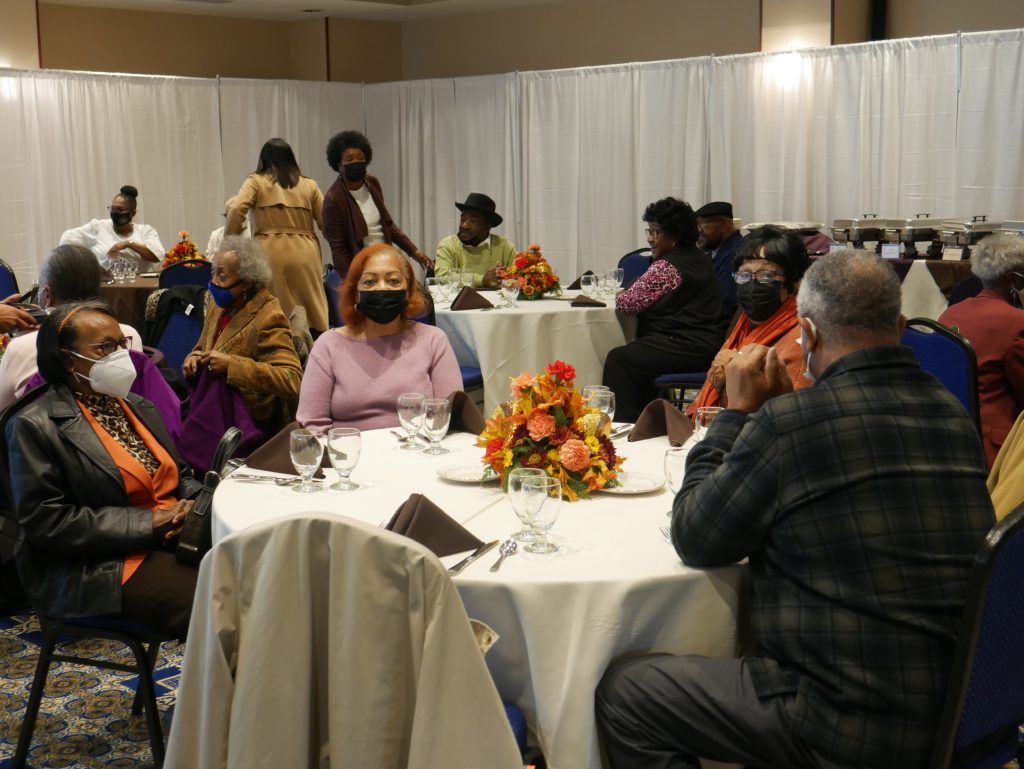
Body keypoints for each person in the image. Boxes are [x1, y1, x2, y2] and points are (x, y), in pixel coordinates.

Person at [597, 251, 995, 769]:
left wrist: (737, 416)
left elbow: (695, 535)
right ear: (900, 326)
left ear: (805, 332)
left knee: (628, 692)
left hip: (843, 724)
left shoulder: (792, 423)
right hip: (960, 710)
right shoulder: (952, 413)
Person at [5, 303, 202, 638]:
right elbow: (48, 523)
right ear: (67, 359)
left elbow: (179, 475)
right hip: (94, 565)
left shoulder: (137, 406)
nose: (121, 356)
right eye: (105, 347)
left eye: (121, 344)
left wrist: (195, 508)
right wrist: (151, 523)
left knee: (251, 575)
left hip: (168, 538)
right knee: (215, 602)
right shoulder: (34, 425)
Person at [297, 244, 461, 431]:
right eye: (369, 282)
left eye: (393, 281)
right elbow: (312, 424)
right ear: (356, 294)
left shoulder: (434, 340)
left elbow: (449, 415)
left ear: (408, 291)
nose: (382, 288)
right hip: (349, 448)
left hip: (418, 445)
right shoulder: (328, 345)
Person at [601, 198, 723, 422]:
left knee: (619, 359)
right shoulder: (698, 257)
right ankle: (648, 421)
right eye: (649, 231)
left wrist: (621, 294)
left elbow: (628, 303)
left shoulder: (667, 266)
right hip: (703, 343)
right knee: (636, 355)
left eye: (656, 232)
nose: (650, 238)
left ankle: (623, 425)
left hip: (686, 344)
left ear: (675, 235)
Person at [0, 244, 143, 411]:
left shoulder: (21, 348)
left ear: (48, 295)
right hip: (123, 424)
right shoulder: (129, 336)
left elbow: (3, 413)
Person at [182, 236, 302, 429]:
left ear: (246, 282)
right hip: (213, 409)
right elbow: (202, 347)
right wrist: (193, 358)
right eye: (213, 273)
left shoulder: (269, 317)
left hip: (248, 422)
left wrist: (232, 366)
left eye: (222, 277)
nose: (213, 282)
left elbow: (292, 379)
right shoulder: (217, 306)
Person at [689, 225, 811, 412]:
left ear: (794, 282)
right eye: (744, 274)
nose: (753, 284)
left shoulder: (800, 338)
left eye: (766, 275)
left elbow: (787, 413)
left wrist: (729, 376)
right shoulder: (743, 323)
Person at [938, 232, 1024, 468]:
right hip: (997, 450)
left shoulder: (950, 313)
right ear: (1013, 280)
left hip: (949, 437)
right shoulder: (1017, 323)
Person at [226, 138, 328, 334]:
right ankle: (313, 342)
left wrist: (232, 239)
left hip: (269, 252)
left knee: (273, 309)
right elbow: (327, 221)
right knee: (312, 304)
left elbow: (237, 208)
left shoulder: (255, 181)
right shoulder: (309, 185)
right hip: (306, 252)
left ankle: (279, 344)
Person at [321, 130, 432, 281]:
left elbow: (388, 225)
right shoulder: (333, 199)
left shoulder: (372, 183)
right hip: (362, 270)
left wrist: (413, 251)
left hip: (387, 260)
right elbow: (338, 250)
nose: (356, 163)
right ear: (338, 165)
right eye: (349, 159)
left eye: (361, 158)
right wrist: (352, 284)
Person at [59, 184, 165, 269]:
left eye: (120, 209)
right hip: (105, 285)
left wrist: (128, 244)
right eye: (112, 209)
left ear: (133, 213)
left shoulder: (146, 231)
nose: (115, 213)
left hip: (139, 286)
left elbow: (156, 256)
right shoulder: (98, 227)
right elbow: (68, 239)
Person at [434, 193, 516, 288]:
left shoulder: (504, 246)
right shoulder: (448, 245)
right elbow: (442, 278)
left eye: (473, 221)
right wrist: (482, 280)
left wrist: (506, 276)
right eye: (463, 219)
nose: (465, 225)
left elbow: (520, 277)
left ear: (487, 226)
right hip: (459, 298)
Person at [695, 200, 743, 327]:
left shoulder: (735, 254)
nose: (699, 230)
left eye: (704, 223)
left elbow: (724, 302)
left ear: (724, 225)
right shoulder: (716, 251)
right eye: (697, 224)